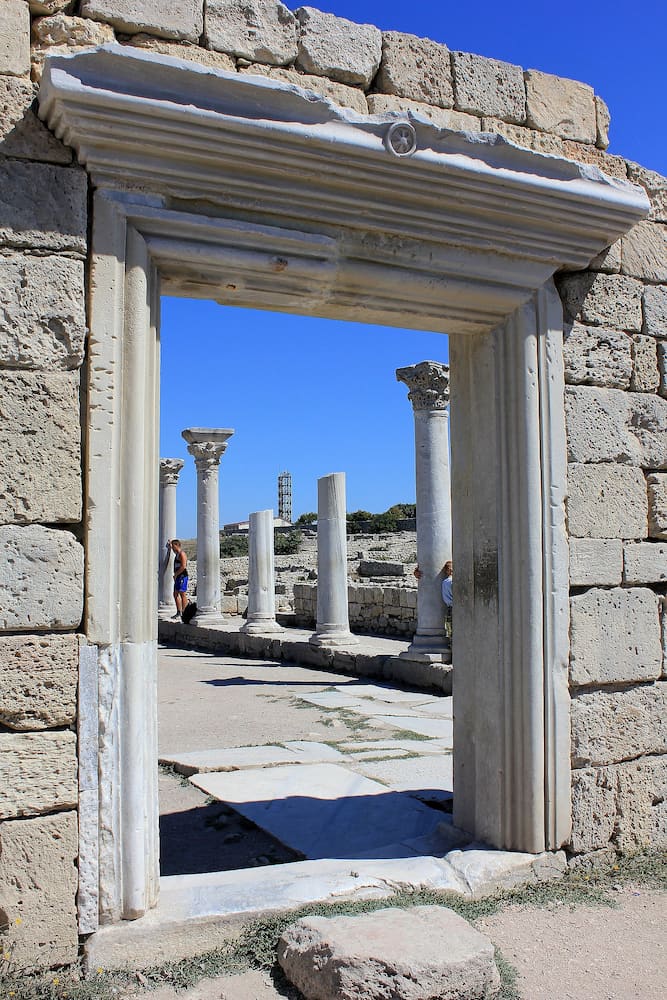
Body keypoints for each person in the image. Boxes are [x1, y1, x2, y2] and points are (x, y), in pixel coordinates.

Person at [413, 559, 453, 641]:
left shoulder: (446, 582)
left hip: (450, 608)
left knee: (451, 632)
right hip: (454, 609)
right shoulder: (450, 582)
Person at [169, 539, 189, 620]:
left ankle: (185, 612)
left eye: (173, 546)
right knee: (175, 593)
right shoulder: (176, 554)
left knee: (182, 593)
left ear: (176, 545)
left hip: (182, 576)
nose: (172, 549)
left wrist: (176, 574)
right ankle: (178, 612)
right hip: (178, 576)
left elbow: (183, 566)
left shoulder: (182, 554)